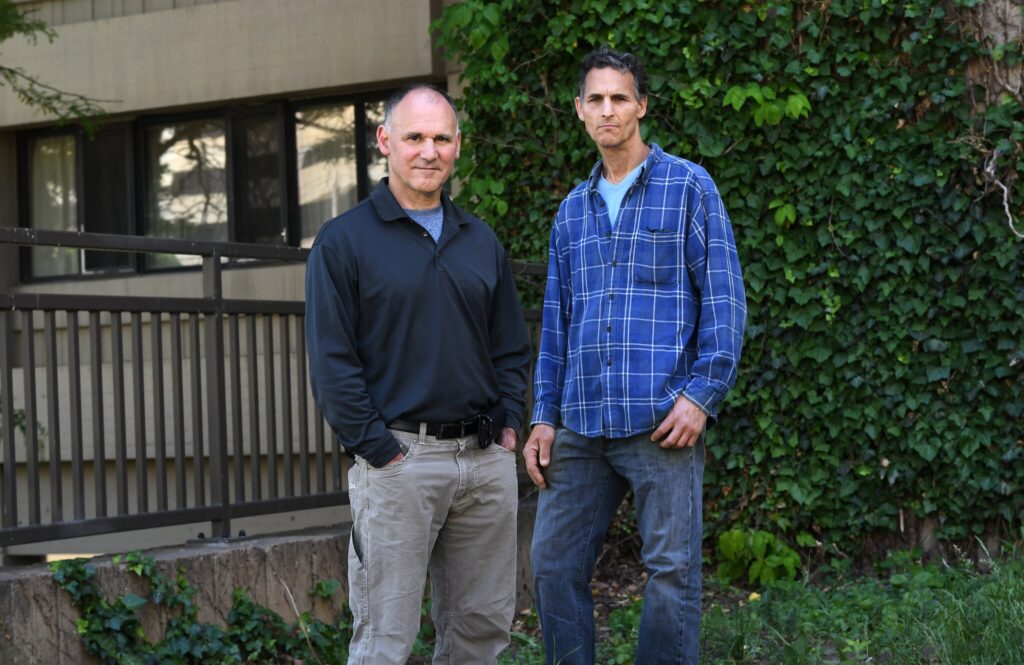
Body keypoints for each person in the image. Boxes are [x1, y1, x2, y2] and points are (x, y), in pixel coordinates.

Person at [523, 47, 747, 665]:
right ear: (579, 111)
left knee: (672, 573)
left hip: (661, 423)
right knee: (551, 565)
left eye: (620, 98)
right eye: (595, 99)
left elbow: (725, 303)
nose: (608, 111)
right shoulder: (571, 212)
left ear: (641, 106)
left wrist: (701, 396)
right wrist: (544, 416)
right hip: (582, 424)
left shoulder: (689, 187)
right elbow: (556, 325)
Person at [305, 83, 531, 665]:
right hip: (400, 461)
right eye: (413, 137)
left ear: (457, 146)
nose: (427, 151)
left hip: (484, 463)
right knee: (385, 639)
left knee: (480, 634)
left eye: (440, 138)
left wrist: (508, 428)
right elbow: (333, 361)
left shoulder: (479, 240)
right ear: (385, 142)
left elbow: (509, 346)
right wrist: (378, 450)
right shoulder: (344, 241)